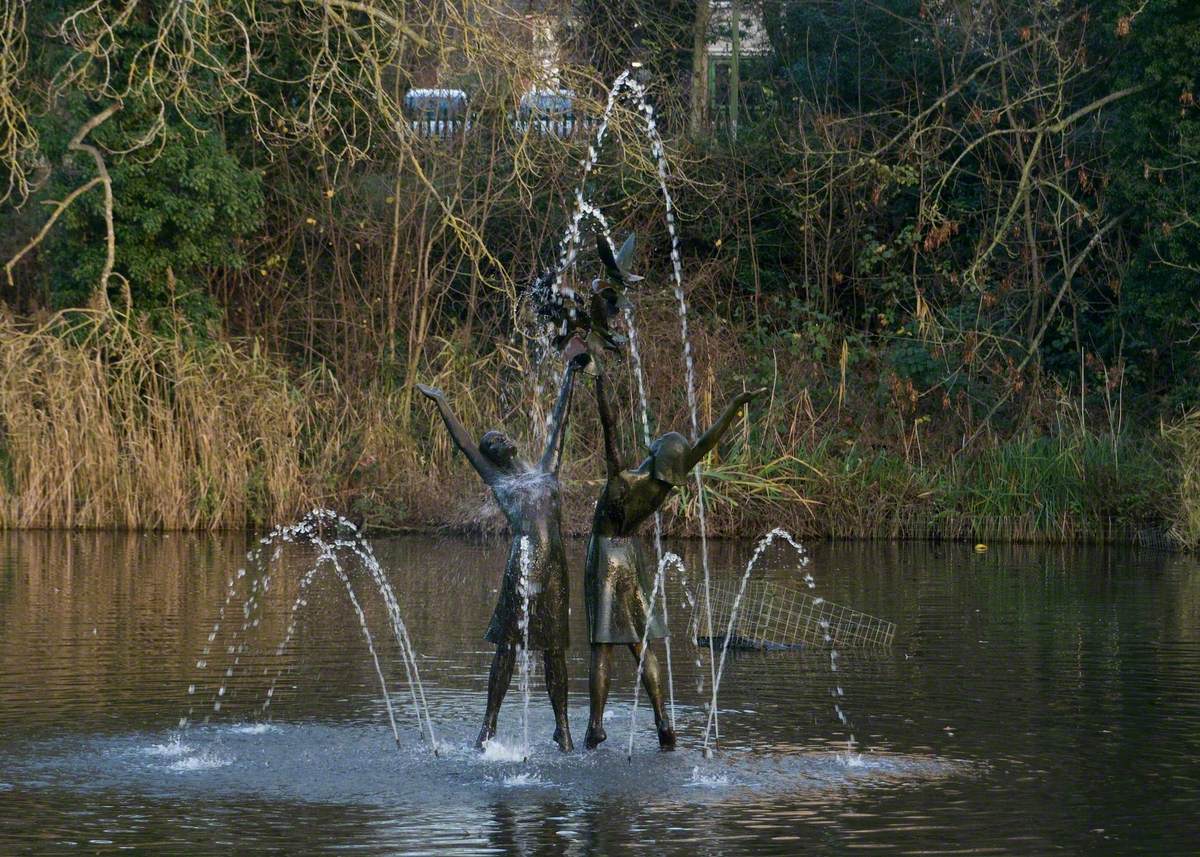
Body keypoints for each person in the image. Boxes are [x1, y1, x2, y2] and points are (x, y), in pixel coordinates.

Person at [583, 366, 767, 750]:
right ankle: (664, 720)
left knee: (602, 647)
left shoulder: (624, 481)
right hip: (631, 556)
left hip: (604, 556)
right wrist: (734, 406)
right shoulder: (662, 487)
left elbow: (609, 428)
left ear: (654, 453)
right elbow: (704, 444)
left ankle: (596, 725)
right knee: (641, 644)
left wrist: (600, 380)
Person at [417, 359, 581, 752]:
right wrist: (442, 403)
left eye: (504, 435)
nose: (503, 440)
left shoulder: (546, 470)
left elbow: (559, 423)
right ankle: (489, 724)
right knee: (507, 646)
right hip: (522, 564)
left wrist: (571, 375)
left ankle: (563, 726)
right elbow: (465, 444)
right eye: (495, 441)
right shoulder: (497, 479)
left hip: (555, 567)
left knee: (555, 649)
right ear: (492, 455)